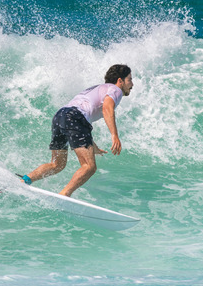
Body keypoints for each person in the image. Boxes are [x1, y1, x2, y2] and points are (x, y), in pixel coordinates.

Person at [20, 64, 134, 197]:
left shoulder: (97, 88)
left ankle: (24, 180)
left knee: (57, 164)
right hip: (74, 117)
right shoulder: (115, 89)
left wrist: (92, 145)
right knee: (89, 166)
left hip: (60, 116)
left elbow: (81, 118)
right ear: (120, 80)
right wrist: (114, 135)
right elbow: (107, 108)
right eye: (129, 80)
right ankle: (64, 195)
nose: (132, 84)